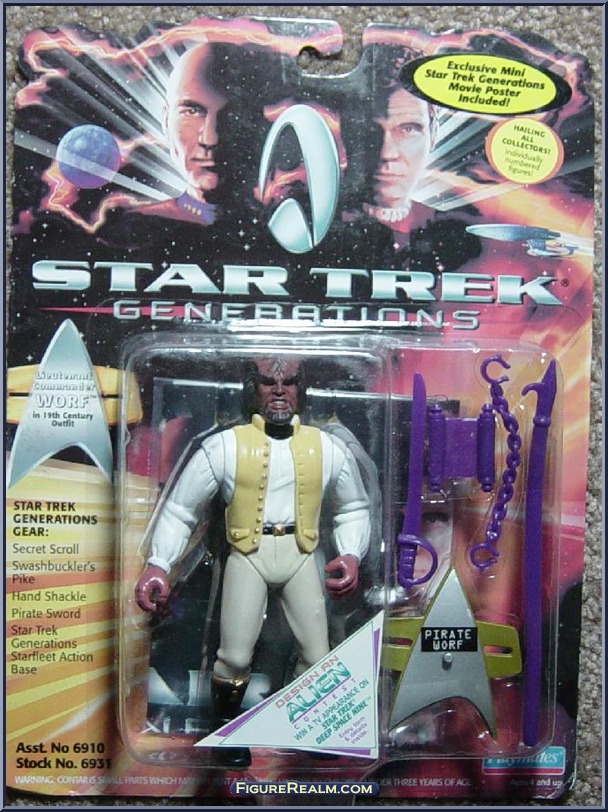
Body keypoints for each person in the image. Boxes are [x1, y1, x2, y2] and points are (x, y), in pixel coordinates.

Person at [135, 356, 371, 767]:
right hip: (248, 556)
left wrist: (351, 552)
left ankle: (310, 727)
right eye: (268, 381)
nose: (279, 390)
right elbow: (180, 510)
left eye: (289, 382)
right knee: (234, 655)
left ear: (301, 389)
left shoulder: (327, 447)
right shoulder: (225, 447)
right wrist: (159, 562)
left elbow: (353, 507)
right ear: (253, 388)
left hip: (301, 555)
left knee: (318, 654)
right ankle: (226, 731)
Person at [136, 43, 229, 225]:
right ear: (166, 121)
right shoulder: (134, 228)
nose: (210, 139)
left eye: (230, 115)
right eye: (192, 111)